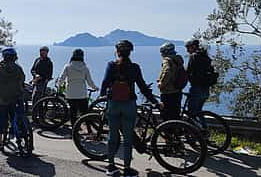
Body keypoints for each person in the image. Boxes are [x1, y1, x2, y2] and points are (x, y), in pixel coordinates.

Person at [100, 40, 159, 177]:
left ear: (117, 51)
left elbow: (105, 83)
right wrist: (155, 102)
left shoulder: (111, 65)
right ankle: (127, 169)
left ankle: (111, 167)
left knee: (112, 137)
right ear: (130, 52)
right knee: (127, 139)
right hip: (129, 105)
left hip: (113, 104)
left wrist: (103, 94)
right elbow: (143, 88)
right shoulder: (135, 67)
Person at [0, 48, 32, 151]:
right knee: (19, 116)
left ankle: (0, 142)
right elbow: (22, 81)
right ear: (14, 58)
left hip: (3, 99)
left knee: (2, 119)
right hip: (17, 98)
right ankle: (21, 135)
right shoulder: (18, 69)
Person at [57, 49, 99, 126]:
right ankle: (88, 129)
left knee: (73, 112)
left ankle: (74, 129)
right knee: (85, 113)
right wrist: (95, 87)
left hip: (71, 93)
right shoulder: (85, 67)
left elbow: (61, 78)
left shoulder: (68, 66)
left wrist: (59, 86)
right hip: (82, 93)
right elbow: (89, 82)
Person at [157, 42, 185, 121]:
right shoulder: (178, 60)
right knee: (175, 114)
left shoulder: (167, 60)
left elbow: (167, 71)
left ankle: (168, 132)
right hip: (177, 90)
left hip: (168, 91)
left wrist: (161, 84)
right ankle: (176, 131)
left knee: (166, 115)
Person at [185, 39, 211, 120]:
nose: (187, 50)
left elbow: (187, 72)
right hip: (205, 88)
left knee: (191, 112)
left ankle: (194, 131)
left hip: (196, 88)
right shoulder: (205, 56)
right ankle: (203, 130)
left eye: (188, 48)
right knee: (199, 111)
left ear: (193, 47)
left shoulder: (194, 56)